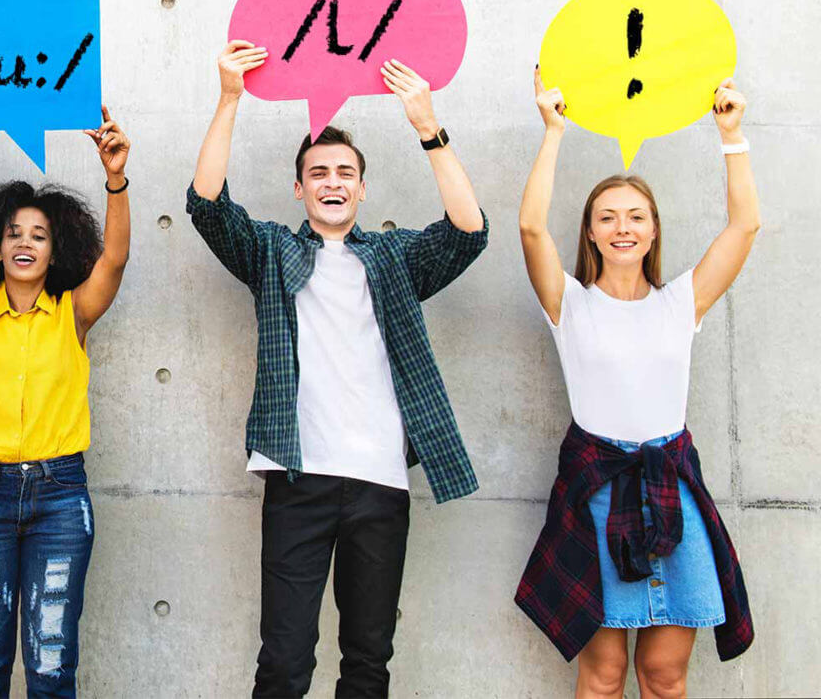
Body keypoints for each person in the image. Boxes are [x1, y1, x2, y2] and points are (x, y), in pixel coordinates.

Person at [187, 41, 489, 698]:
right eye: (318, 171)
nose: (331, 181)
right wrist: (230, 97)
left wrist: (427, 127)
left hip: (380, 482)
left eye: (344, 171)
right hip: (300, 477)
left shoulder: (393, 258)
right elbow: (206, 205)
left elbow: (469, 231)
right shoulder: (271, 252)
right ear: (299, 187)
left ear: (361, 186)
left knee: (368, 660)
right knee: (285, 660)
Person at [515, 69, 758, 698]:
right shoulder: (568, 303)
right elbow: (531, 230)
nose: (622, 227)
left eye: (636, 217)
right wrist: (553, 131)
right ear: (591, 231)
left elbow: (743, 229)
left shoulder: (681, 302)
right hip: (595, 494)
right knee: (602, 676)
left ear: (652, 230)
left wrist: (731, 135)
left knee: (664, 674)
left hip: (671, 490)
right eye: (607, 217)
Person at [0, 103, 131, 697]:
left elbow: (115, 260)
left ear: (56, 251)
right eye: (13, 234)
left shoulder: (73, 314)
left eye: (39, 236)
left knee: (50, 668)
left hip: (60, 498)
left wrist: (115, 178)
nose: (25, 243)